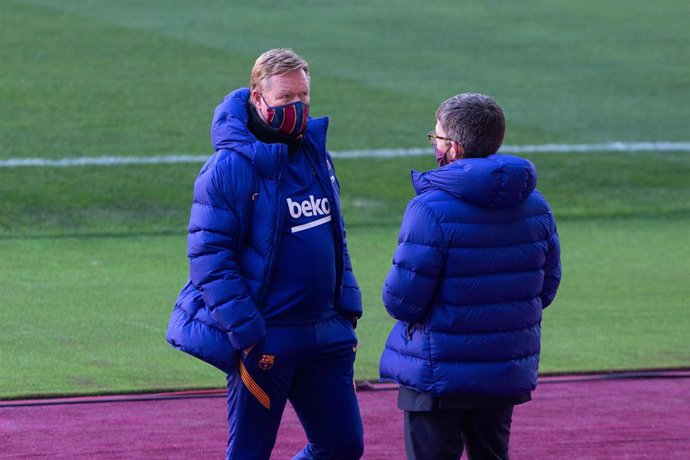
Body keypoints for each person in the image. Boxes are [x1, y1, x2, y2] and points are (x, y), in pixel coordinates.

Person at [167, 48, 364, 460]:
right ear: (258, 98)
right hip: (266, 340)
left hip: (326, 335)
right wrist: (248, 334)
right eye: (286, 99)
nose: (298, 108)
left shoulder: (316, 155)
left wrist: (346, 311)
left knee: (343, 448)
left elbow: (335, 237)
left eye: (304, 97)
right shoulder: (227, 168)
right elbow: (209, 260)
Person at [379, 93, 562, 460]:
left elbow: (401, 300)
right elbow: (546, 286)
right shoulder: (535, 204)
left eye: (437, 138)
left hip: (436, 373)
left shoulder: (427, 209)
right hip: (502, 369)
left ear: (454, 147)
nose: (435, 145)